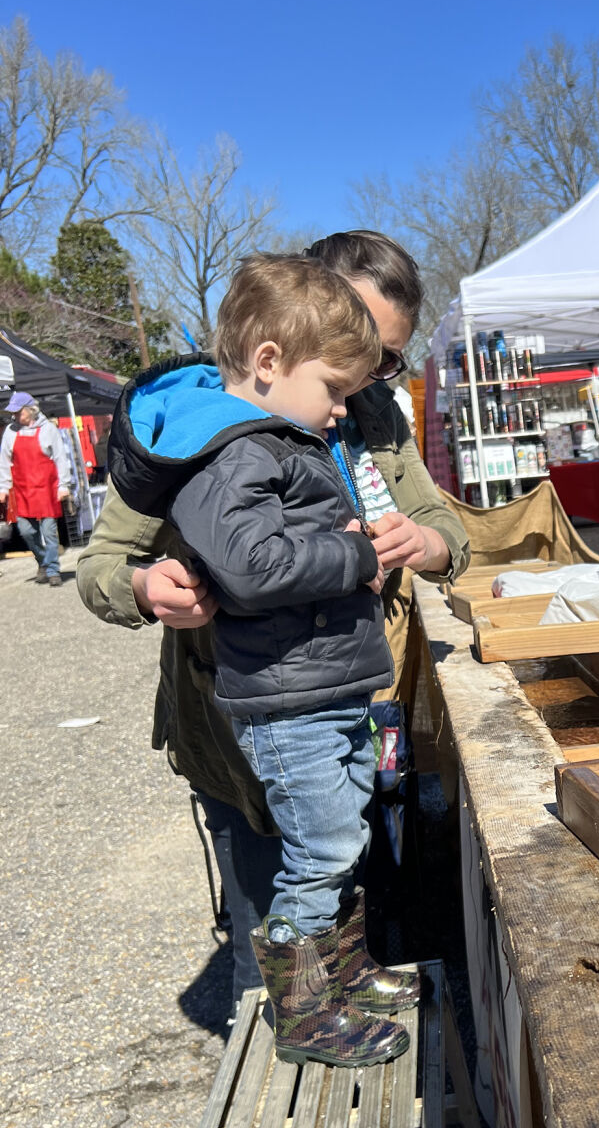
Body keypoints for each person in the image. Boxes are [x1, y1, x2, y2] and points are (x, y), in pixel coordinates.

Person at [77, 232, 469, 1008]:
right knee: (273, 940)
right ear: (294, 323)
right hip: (244, 727)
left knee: (341, 870)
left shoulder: (374, 414)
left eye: (385, 359)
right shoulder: (199, 423)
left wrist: (424, 544)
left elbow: (446, 531)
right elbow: (100, 567)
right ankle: (298, 1033)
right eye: (354, 347)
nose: (366, 373)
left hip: (348, 695)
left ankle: (337, 1010)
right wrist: (147, 587)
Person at [0, 393, 74, 585]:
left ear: (31, 410)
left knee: (49, 532)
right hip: (22, 490)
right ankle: (43, 561)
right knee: (26, 531)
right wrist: (3, 488)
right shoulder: (10, 432)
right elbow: (4, 462)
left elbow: (60, 458)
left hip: (46, 490)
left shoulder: (48, 429)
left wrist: (64, 485)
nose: (15, 415)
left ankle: (53, 570)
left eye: (19, 412)